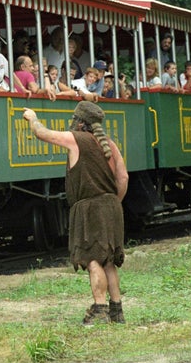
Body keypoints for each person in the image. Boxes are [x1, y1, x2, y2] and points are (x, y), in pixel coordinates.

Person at [23, 101, 128, 325]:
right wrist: (113, 202)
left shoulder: (76, 139)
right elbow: (123, 178)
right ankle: (116, 311)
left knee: (93, 259)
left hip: (90, 207)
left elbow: (42, 133)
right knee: (108, 259)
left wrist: (33, 117)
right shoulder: (110, 144)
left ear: (80, 122)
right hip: (112, 206)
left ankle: (99, 308)